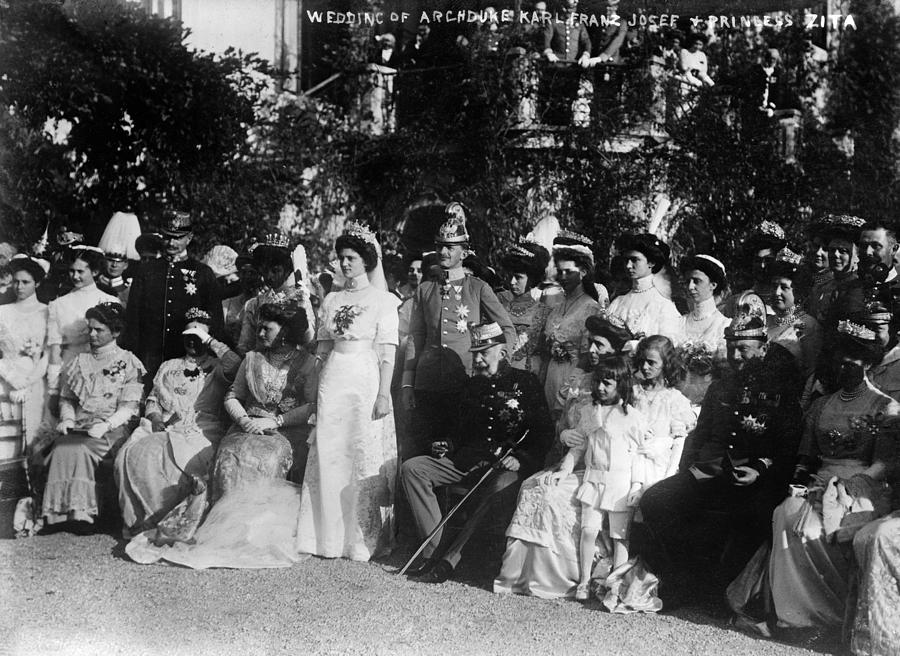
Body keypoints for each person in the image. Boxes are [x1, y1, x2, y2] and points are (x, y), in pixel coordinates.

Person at [729, 326, 896, 634]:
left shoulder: (885, 407)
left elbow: (885, 463)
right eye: (840, 362)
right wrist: (798, 482)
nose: (843, 368)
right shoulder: (821, 406)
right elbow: (806, 456)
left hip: (860, 489)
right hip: (819, 482)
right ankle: (793, 614)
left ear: (869, 364)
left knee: (811, 529)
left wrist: (853, 482)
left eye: (852, 363)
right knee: (785, 512)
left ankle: (827, 615)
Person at [126, 299, 315, 568]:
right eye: (259, 328)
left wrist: (275, 421)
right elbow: (233, 395)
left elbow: (311, 403)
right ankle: (223, 526)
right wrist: (245, 419)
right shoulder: (252, 359)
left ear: (285, 331)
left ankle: (256, 529)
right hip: (245, 425)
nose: (260, 334)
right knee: (229, 453)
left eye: (267, 329)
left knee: (266, 458)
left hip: (287, 430)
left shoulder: (307, 363)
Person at [639, 293, 802, 601]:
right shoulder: (720, 387)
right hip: (710, 469)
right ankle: (681, 577)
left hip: (755, 477)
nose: (736, 356)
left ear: (763, 348)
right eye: (731, 348)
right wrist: (687, 471)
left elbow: (788, 445)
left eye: (744, 349)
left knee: (751, 515)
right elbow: (699, 436)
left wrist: (759, 469)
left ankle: (720, 590)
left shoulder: (780, 391)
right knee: (656, 501)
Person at [402, 322, 552, 584]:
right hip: (469, 459)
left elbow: (543, 431)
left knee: (497, 489)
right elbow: (460, 428)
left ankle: (450, 560)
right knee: (413, 469)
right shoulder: (472, 386)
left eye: (483, 353)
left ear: (502, 354)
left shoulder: (525, 383)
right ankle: (432, 550)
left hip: (507, 465)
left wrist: (521, 458)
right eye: (474, 353)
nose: (477, 359)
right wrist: (448, 443)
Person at [296, 222, 399, 561]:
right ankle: (325, 538)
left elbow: (387, 353)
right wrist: (314, 384)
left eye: (351, 258)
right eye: (341, 258)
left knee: (361, 450)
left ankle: (360, 539)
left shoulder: (383, 300)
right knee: (331, 448)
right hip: (334, 378)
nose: (344, 264)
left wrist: (384, 393)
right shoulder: (333, 299)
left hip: (365, 377)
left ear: (367, 260)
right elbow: (322, 349)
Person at [114, 307, 242, 537]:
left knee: (176, 459)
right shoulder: (169, 366)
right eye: (188, 337)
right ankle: (145, 520)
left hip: (202, 426)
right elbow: (153, 398)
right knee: (133, 453)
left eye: (198, 338)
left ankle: (174, 520)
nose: (192, 342)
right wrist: (154, 417)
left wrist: (210, 340)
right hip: (165, 423)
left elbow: (236, 364)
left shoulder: (218, 366)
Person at [401, 202, 515, 455]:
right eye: (440, 245)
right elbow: (415, 339)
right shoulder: (424, 289)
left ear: (463, 253)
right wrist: (407, 385)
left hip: (465, 382)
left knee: (457, 450)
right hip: (427, 383)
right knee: (424, 449)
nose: (443, 252)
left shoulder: (478, 288)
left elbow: (507, 329)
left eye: (450, 247)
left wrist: (496, 368)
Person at [543, 355, 647, 601]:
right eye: (598, 381)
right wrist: (564, 470)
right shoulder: (589, 412)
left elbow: (639, 454)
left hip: (620, 484)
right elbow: (578, 448)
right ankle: (584, 580)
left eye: (607, 383)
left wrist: (637, 485)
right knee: (588, 531)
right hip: (593, 481)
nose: (600, 387)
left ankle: (615, 584)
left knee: (619, 537)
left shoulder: (632, 417)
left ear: (621, 385)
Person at [37, 302, 145, 531]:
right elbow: (68, 399)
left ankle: (85, 515)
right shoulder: (80, 361)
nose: (92, 334)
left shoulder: (128, 361)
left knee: (80, 449)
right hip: (80, 424)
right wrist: (67, 419)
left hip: (111, 429)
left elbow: (129, 406)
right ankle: (61, 514)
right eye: (90, 329)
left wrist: (106, 425)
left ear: (115, 332)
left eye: (99, 330)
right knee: (58, 447)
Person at [122, 210, 223, 380]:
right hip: (148, 354)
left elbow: (216, 320)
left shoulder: (202, 273)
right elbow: (133, 317)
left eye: (177, 237)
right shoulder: (146, 271)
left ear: (189, 238)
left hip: (187, 356)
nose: (171, 242)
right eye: (167, 236)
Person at [46, 246, 119, 406]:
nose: (75, 276)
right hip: (69, 368)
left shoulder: (110, 301)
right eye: (72, 271)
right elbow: (55, 348)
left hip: (103, 368)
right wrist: (52, 387)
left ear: (94, 272)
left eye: (80, 271)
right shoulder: (58, 305)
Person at [542, 231, 603, 414]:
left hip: (573, 377)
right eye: (560, 272)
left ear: (583, 272)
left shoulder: (591, 308)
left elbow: (587, 356)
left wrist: (567, 389)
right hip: (551, 375)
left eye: (568, 272)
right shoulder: (558, 305)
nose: (562, 277)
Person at [0, 255, 50, 456]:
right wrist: (10, 378)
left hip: (34, 381)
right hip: (5, 379)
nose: (19, 287)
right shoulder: (2, 312)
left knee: (31, 437)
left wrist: (28, 382)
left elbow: (49, 354)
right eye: (16, 282)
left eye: (25, 282)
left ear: (37, 283)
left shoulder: (48, 312)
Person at [632, 336, 696, 486]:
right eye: (642, 361)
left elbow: (678, 443)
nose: (645, 367)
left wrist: (668, 478)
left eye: (651, 362)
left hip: (658, 467)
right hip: (629, 463)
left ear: (666, 364)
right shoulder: (632, 393)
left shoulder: (674, 400)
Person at [237, 232, 314, 354]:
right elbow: (244, 346)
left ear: (288, 270)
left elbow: (310, 343)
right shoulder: (254, 304)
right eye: (264, 270)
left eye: (275, 271)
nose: (269, 276)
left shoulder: (300, 299)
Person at [607, 233, 680, 344]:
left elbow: (666, 347)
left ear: (651, 263)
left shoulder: (662, 305)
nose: (628, 266)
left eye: (634, 260)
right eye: (626, 260)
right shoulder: (618, 302)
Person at [677, 254, 729, 405]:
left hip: (710, 404)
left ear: (713, 284)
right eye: (688, 281)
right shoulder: (677, 323)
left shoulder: (724, 325)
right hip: (676, 403)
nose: (690, 287)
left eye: (697, 281)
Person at [766, 247, 823, 379]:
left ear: (797, 291)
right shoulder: (766, 321)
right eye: (774, 286)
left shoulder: (808, 325)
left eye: (784, 287)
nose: (776, 293)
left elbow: (811, 371)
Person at [498, 240, 553, 374]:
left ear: (532, 278)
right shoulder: (498, 301)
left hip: (530, 371)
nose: (512, 282)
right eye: (510, 276)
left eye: (518, 277)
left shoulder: (544, 309)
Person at [719, 220, 786, 318]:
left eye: (768, 260)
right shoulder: (735, 302)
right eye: (758, 260)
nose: (762, 266)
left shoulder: (788, 301)